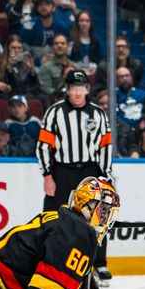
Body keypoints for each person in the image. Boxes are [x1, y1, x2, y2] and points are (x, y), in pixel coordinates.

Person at [37, 70, 113, 211]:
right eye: (74, 88)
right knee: (54, 217)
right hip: (62, 173)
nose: (78, 93)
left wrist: (105, 175)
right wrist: (47, 175)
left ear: (87, 89)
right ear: (67, 89)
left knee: (91, 218)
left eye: (81, 88)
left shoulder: (98, 114)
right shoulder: (54, 112)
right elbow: (43, 146)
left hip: (90, 172)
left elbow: (105, 147)